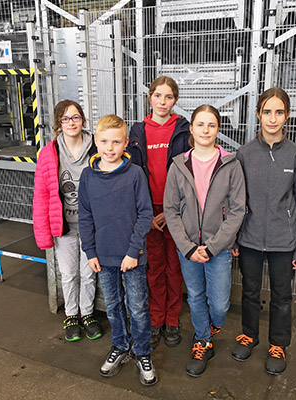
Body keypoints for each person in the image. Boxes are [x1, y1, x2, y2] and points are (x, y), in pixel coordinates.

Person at [232, 87, 296, 375]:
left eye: (279, 112)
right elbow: (236, 200)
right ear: (258, 115)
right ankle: (249, 335)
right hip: (250, 239)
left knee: (281, 295)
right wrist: (235, 237)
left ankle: (278, 344)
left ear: (287, 116)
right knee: (250, 291)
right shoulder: (244, 154)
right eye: (267, 112)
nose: (272, 118)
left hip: (284, 242)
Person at [164, 105, 246, 377]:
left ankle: (212, 325)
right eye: (200, 124)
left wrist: (213, 246)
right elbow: (171, 210)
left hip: (218, 248)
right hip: (187, 248)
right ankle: (202, 340)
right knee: (196, 296)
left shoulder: (231, 165)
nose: (205, 130)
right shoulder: (178, 165)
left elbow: (236, 211)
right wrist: (188, 247)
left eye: (211, 125)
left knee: (220, 304)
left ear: (218, 129)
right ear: (191, 128)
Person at [78, 115, 157, 386]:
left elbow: (146, 214)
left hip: (133, 256)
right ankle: (121, 346)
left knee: (137, 307)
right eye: (103, 141)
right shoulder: (88, 176)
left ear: (125, 143)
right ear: (96, 142)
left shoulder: (135, 174)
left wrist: (134, 251)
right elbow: (85, 216)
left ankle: (142, 351)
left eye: (115, 142)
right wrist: (90, 251)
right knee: (113, 306)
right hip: (103, 256)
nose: (109, 148)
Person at [127, 76, 190, 348]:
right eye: (158, 96)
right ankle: (155, 318)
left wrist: (172, 210)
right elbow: (132, 173)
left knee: (174, 267)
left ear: (175, 100)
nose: (162, 102)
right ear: (149, 97)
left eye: (168, 97)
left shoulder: (184, 130)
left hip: (175, 210)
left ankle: (172, 318)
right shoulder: (138, 131)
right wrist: (147, 214)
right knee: (154, 267)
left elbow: (190, 175)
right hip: (147, 211)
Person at [33, 99, 101, 342]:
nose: (71, 122)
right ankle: (71, 315)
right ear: (58, 124)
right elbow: (41, 193)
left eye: (76, 117)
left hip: (92, 225)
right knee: (69, 273)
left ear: (82, 119)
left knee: (90, 272)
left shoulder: (96, 146)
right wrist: (42, 231)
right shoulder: (49, 152)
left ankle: (87, 313)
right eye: (65, 118)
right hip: (64, 226)